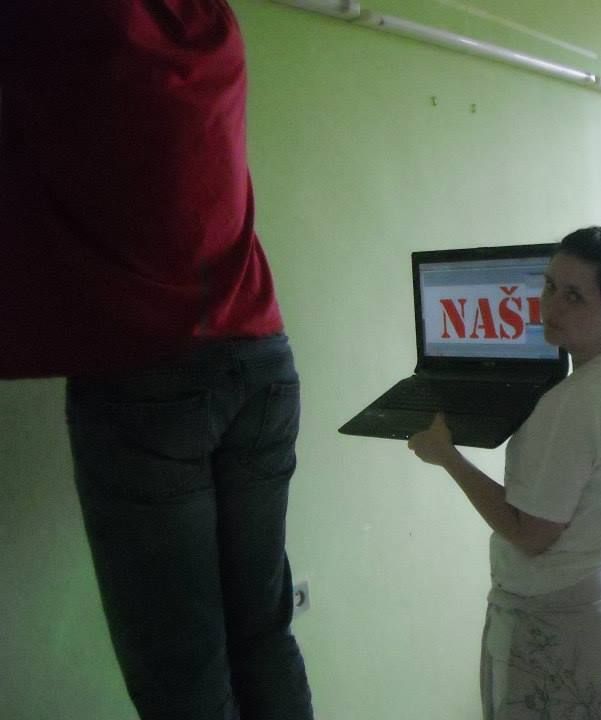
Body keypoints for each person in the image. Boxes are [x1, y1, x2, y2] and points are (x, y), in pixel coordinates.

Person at [1, 3, 314, 718]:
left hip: (149, 374)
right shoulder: (213, 24)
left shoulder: (58, 21)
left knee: (183, 674)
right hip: (262, 361)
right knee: (264, 635)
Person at [408, 227, 601, 720]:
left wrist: (448, 457)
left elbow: (531, 535)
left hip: (562, 623)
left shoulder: (574, 404)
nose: (550, 306)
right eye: (549, 286)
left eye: (574, 296)